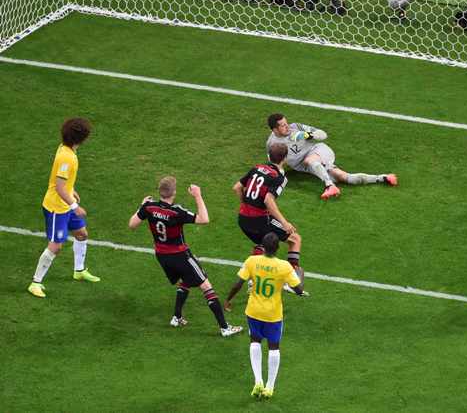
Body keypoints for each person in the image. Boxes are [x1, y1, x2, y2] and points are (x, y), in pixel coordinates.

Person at [128, 176, 242, 337]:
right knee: (206, 286)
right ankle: (225, 328)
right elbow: (204, 219)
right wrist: (197, 195)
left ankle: (177, 317)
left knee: (186, 280)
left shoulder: (148, 207)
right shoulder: (176, 212)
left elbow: (132, 224)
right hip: (180, 255)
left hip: (161, 255)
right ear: (173, 192)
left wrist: (141, 205)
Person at [224, 232, 307, 400]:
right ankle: (269, 387)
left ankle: (258, 380)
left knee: (255, 342)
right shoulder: (284, 266)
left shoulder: (252, 261)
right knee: (273, 347)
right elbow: (299, 291)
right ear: (277, 248)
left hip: (253, 311)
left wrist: (228, 300)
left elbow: (238, 284)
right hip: (272, 314)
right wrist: (301, 275)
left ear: (262, 246)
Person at [28, 118, 100, 298]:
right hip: (56, 208)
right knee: (56, 246)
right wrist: (74, 206)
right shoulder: (66, 157)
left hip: (65, 203)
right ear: (82, 138)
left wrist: (72, 189)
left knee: (82, 234)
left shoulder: (66, 149)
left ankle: (79, 270)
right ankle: (35, 282)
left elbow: (61, 181)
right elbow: (59, 187)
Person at [266, 113, 398, 200]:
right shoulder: (272, 144)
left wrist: (309, 135)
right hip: (307, 166)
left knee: (310, 160)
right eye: (283, 125)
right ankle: (383, 178)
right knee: (343, 177)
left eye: (286, 122)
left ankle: (329, 186)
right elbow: (275, 165)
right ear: (274, 129)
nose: (287, 126)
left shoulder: (296, 127)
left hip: (319, 151)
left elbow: (323, 134)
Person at [233, 143, 305, 290]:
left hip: (242, 219)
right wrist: (284, 223)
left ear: (268, 156)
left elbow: (237, 187)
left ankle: (253, 280)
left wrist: (245, 203)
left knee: (263, 244)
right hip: (259, 220)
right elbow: (268, 200)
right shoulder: (279, 177)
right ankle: (290, 282)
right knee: (295, 239)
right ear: (285, 158)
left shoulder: (256, 168)